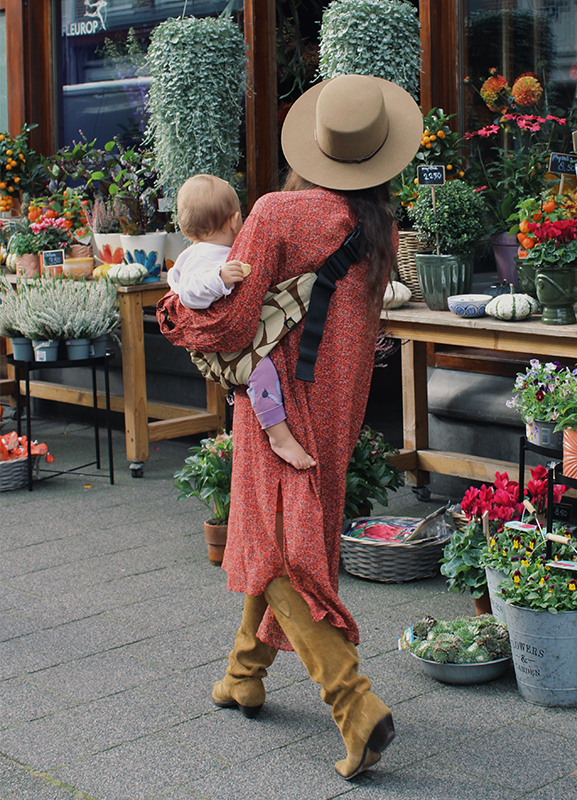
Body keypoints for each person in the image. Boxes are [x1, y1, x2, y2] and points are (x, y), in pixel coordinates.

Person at [156, 74, 423, 780]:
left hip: (278, 404)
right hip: (337, 408)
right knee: (277, 532)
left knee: (273, 547)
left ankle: (354, 704)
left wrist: (174, 310)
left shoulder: (278, 213)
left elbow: (234, 321)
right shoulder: (380, 226)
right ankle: (244, 672)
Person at [168, 174, 316, 471]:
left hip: (227, 337)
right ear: (236, 220)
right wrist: (219, 278)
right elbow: (189, 293)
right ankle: (278, 435)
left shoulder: (215, 252)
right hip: (221, 343)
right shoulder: (201, 256)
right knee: (261, 372)